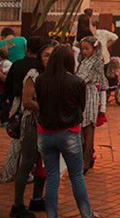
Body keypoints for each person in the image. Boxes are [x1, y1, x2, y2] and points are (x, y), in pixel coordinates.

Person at [34, 46, 99, 218]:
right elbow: (81, 107)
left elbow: (39, 104)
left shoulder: (40, 80)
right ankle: (86, 214)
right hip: (69, 132)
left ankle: (51, 215)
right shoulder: (77, 82)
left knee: (52, 176)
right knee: (76, 176)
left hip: (45, 133)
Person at [10, 39, 54, 218]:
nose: (49, 58)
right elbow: (27, 101)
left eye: (53, 55)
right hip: (31, 123)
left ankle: (36, 198)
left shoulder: (54, 74)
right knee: (27, 162)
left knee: (42, 161)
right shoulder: (33, 73)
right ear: (40, 57)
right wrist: (47, 108)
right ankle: (17, 205)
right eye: (46, 55)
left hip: (47, 123)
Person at [76, 36, 107, 173]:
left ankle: (86, 159)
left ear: (95, 48)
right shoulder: (84, 61)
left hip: (90, 95)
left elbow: (87, 79)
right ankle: (86, 156)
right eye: (82, 49)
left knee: (88, 128)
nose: (84, 51)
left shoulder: (96, 61)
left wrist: (103, 105)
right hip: (81, 95)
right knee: (83, 128)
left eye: (87, 48)